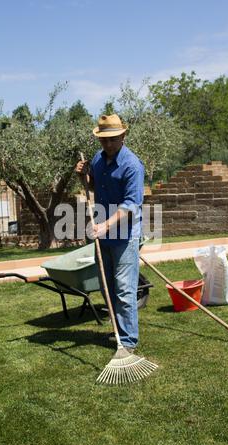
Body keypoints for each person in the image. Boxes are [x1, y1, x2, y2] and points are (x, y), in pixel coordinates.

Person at [75, 114, 144, 353]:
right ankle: (118, 330)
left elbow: (131, 204)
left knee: (124, 289)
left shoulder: (132, 165)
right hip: (102, 233)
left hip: (125, 235)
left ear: (123, 136)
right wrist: (83, 176)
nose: (108, 144)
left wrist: (105, 225)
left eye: (112, 139)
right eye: (104, 140)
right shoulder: (98, 159)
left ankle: (128, 342)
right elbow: (94, 186)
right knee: (107, 287)